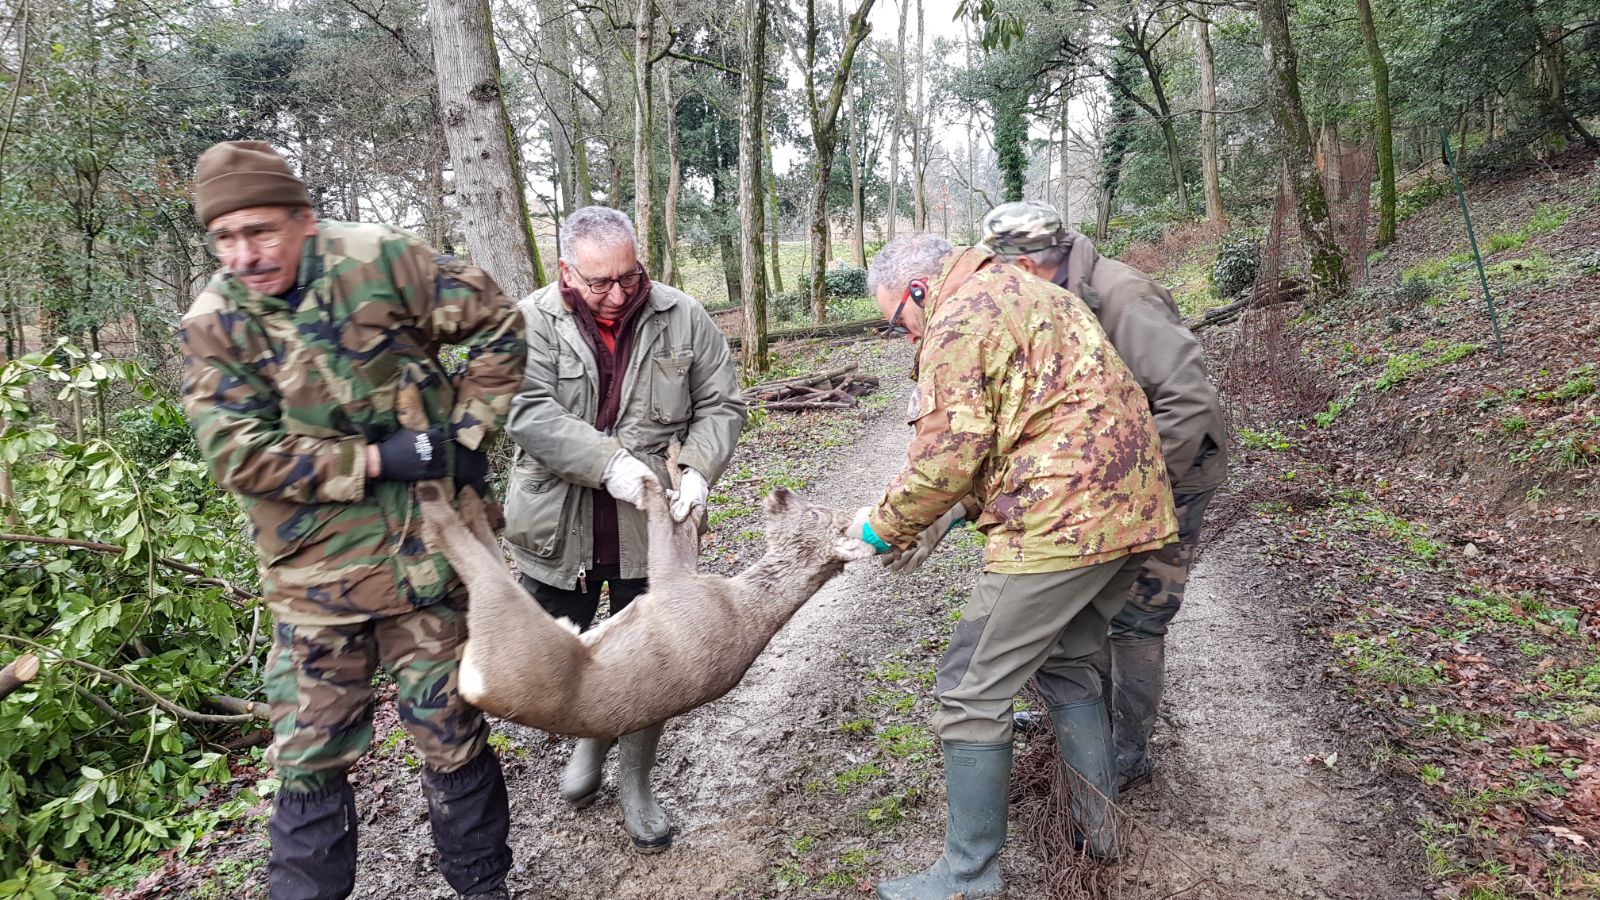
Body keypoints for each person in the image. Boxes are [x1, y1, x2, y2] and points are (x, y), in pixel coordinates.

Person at [179, 141, 523, 900]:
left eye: (261, 230)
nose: (245, 254)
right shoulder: (216, 323)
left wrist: (465, 435)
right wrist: (376, 460)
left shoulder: (381, 261)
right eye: (226, 238)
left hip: (429, 562)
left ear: (304, 220)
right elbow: (238, 454)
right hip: (315, 585)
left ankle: (485, 888)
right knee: (308, 763)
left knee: (454, 741)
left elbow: (499, 321)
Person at [849, 234, 1177, 900]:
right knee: (1067, 661)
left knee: (969, 687)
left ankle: (968, 874)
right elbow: (1020, 421)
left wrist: (879, 528)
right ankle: (1099, 830)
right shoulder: (1031, 291)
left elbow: (948, 457)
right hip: (1131, 508)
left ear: (918, 289)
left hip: (1060, 524)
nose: (903, 334)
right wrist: (945, 515)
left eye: (897, 321)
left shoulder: (958, 318)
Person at [501, 205, 746, 853]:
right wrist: (604, 463)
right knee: (568, 655)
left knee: (655, 663)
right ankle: (589, 734)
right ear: (565, 273)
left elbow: (722, 403)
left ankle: (636, 781)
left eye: (628, 278)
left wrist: (695, 470)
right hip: (561, 530)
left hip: (654, 530)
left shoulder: (682, 315)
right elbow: (525, 411)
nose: (616, 295)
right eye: (599, 282)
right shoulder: (530, 321)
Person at [980, 201, 1228, 791]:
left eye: (1004, 273)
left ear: (1034, 264)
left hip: (1175, 474)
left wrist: (1133, 489)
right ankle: (1076, 715)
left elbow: (1189, 403)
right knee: (1083, 604)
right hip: (1111, 480)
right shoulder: (1052, 298)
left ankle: (1128, 751)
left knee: (1137, 619)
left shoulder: (1123, 296)